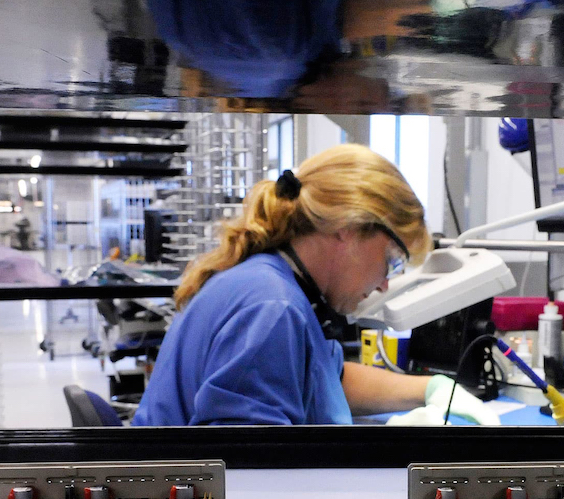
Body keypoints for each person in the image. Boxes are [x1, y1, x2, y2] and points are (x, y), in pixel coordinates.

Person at [132, 143, 444, 426]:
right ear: (348, 227)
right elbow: (250, 470)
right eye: (391, 259)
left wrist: (431, 388)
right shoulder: (272, 309)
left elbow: (329, 377)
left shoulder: (270, 282)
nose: (385, 285)